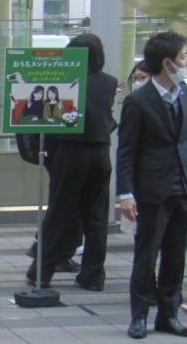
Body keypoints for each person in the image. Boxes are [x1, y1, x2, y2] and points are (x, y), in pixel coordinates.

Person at [117, 30, 187, 339]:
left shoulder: (185, 94)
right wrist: (125, 193)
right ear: (167, 62)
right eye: (184, 57)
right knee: (146, 255)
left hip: (183, 188)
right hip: (151, 190)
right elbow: (126, 150)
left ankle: (168, 315)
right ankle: (139, 316)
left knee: (176, 255)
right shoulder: (138, 101)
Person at [26, 34, 118, 291]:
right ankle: (93, 275)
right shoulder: (109, 83)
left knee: (59, 212)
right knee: (96, 217)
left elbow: (52, 122)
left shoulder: (65, 82)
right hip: (100, 153)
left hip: (70, 151)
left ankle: (41, 273)